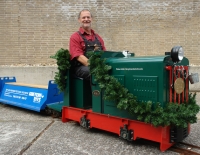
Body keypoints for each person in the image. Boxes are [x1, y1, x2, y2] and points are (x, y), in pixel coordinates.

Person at [69, 9, 106, 80]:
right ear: (79, 20)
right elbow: (79, 56)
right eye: (83, 17)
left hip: (97, 66)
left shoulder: (98, 37)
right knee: (95, 72)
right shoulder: (75, 37)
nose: (86, 19)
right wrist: (95, 66)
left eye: (88, 17)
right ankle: (95, 91)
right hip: (80, 67)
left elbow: (104, 53)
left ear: (91, 19)